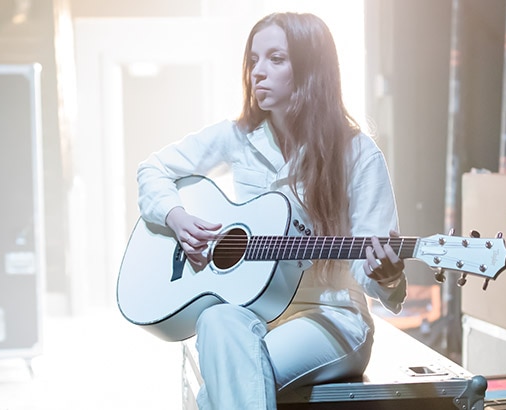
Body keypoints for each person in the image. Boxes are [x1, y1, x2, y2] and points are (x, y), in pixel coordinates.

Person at [135, 11, 408, 409]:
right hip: (258, 315)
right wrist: (178, 219)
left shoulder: (358, 153)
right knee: (214, 319)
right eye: (253, 60)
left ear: (311, 69)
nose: (257, 72)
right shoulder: (237, 137)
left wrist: (385, 275)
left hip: (332, 318)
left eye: (275, 59)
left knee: (217, 393)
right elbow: (153, 169)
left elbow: (373, 271)